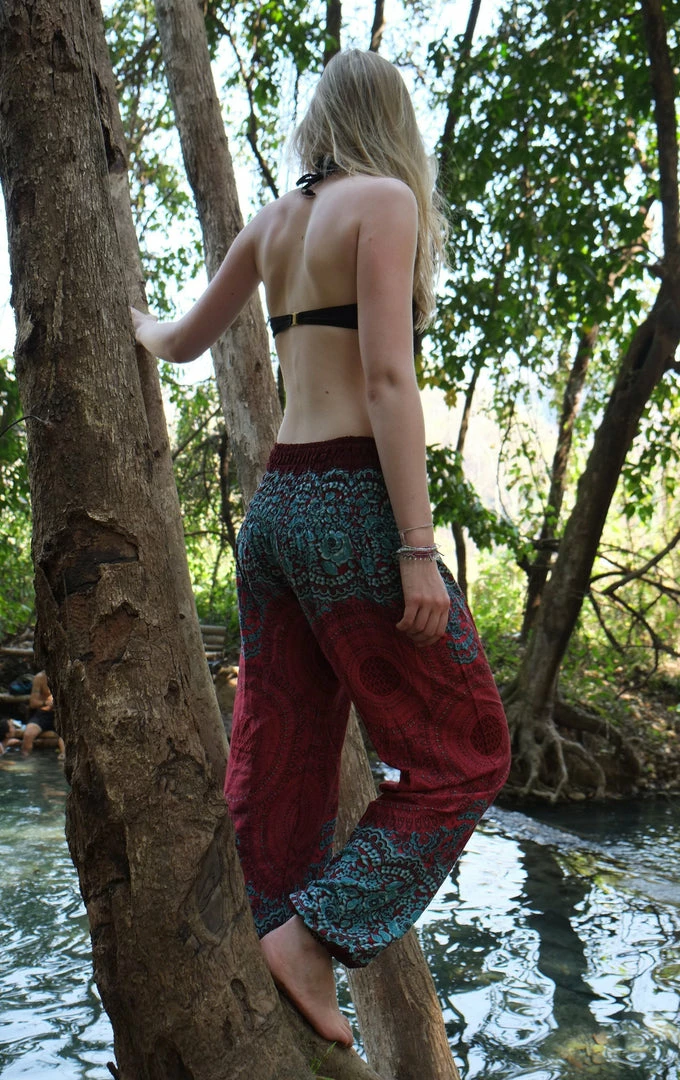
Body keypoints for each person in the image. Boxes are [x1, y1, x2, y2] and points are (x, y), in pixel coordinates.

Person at [131, 49, 511, 1047]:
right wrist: (416, 549)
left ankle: (256, 935)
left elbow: (179, 341)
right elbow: (386, 381)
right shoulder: (384, 202)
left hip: (276, 513)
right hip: (348, 508)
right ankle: (313, 940)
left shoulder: (272, 222)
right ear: (390, 123)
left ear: (320, 120)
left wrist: (128, 315)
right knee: (467, 752)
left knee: (281, 755)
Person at [21, 671, 64, 757]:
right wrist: (46, 703)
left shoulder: (65, 675)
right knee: (28, 734)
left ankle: (63, 757)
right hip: (44, 714)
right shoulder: (40, 677)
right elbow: (33, 703)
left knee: (65, 737)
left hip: (61, 715)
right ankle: (25, 759)